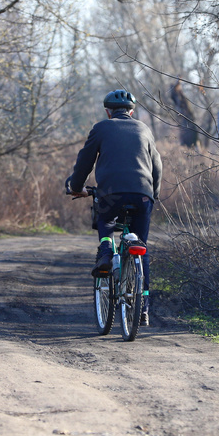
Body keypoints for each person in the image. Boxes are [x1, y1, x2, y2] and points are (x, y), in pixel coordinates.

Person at [66, 89, 161, 326]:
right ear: (131, 112)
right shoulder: (145, 130)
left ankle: (106, 252)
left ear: (108, 112)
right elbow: (157, 165)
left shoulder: (101, 128)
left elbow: (84, 161)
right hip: (143, 196)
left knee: (105, 220)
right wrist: (153, 195)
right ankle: (143, 307)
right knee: (142, 247)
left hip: (110, 194)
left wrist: (76, 186)